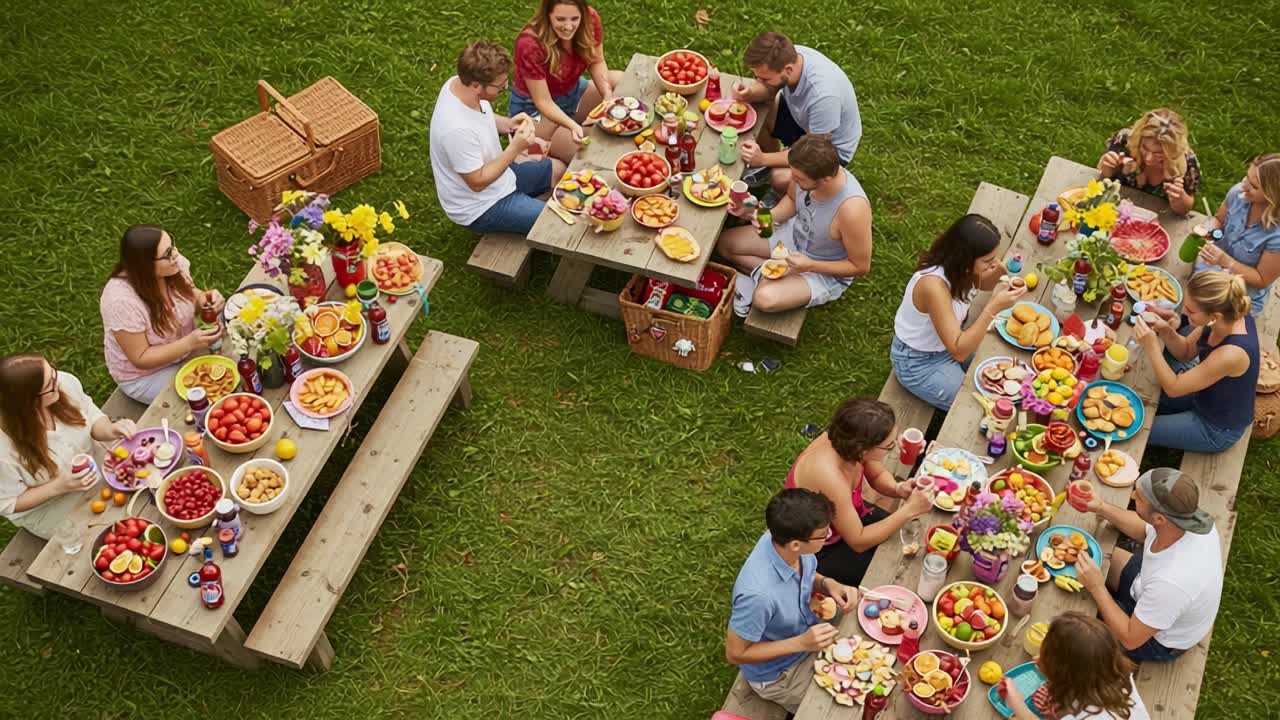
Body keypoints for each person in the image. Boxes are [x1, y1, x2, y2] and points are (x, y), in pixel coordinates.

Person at [726, 488, 859, 713]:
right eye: (824, 534)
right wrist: (801, 643)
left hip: (808, 631)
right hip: (781, 673)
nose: (828, 537)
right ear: (796, 544)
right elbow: (735, 653)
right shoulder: (758, 596)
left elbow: (804, 575)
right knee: (844, 710)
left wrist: (827, 584)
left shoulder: (785, 541)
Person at [1075, 468, 1221, 663]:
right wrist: (1101, 507)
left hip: (1154, 640)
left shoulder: (1172, 583)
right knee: (1089, 556)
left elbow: (1130, 638)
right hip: (1147, 587)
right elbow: (1145, 529)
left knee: (1075, 611)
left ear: (1159, 518)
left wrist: (1097, 587)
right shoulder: (1190, 522)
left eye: (1139, 497)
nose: (1132, 495)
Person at [716, 134, 871, 317]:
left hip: (822, 269)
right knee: (724, 244)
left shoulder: (852, 210)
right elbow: (791, 200)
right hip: (793, 237)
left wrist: (810, 265)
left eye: (799, 180)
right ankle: (767, 276)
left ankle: (766, 281)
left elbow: (860, 266)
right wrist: (762, 216)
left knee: (764, 298)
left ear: (825, 180)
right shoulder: (803, 173)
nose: (794, 181)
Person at [783, 399, 933, 586]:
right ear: (862, 449)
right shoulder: (829, 477)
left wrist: (897, 489)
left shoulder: (849, 442)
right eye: (889, 446)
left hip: (849, 518)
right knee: (895, 571)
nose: (893, 447)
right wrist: (908, 510)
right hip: (819, 547)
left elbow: (876, 474)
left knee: (910, 539)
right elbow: (858, 540)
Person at [429, 41, 569, 237]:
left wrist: (509, 124)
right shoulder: (455, 130)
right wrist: (515, 149)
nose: (504, 88)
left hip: (502, 179)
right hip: (480, 206)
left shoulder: (459, 85)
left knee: (559, 171)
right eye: (500, 87)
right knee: (555, 222)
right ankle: (528, 215)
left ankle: (527, 210)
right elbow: (477, 182)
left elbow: (480, 118)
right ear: (476, 85)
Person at [891, 214, 1027, 410]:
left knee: (1008, 379)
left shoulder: (959, 269)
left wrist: (1002, 270)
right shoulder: (934, 287)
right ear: (964, 259)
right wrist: (993, 307)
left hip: (948, 344)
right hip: (919, 362)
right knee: (983, 406)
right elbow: (959, 351)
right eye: (988, 260)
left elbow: (983, 283)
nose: (994, 262)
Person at [0, 354, 137, 539]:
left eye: (53, 372)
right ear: (28, 402)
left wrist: (110, 430)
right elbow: (8, 502)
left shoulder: (61, 384)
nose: (58, 381)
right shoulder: (4, 449)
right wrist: (60, 486)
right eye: (49, 384)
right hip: (51, 505)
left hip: (97, 467)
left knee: (141, 497)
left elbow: (90, 417)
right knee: (108, 534)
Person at [1134, 270, 1259, 453]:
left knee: (1137, 429)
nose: (1183, 313)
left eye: (1191, 310)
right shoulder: (1226, 314)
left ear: (1214, 316)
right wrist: (1166, 331)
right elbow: (1185, 352)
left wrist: (1152, 345)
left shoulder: (1232, 353)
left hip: (1215, 426)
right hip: (1201, 394)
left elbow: (1174, 388)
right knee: (1136, 395)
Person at [101, 225, 223, 404]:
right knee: (208, 393)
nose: (175, 255)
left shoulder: (171, 266)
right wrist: (189, 343)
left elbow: (188, 293)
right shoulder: (120, 302)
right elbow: (141, 358)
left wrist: (204, 299)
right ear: (146, 266)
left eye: (172, 245)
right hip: (148, 375)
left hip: (185, 348)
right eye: (167, 254)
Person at [730, 32, 861, 193]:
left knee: (780, 178)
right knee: (755, 109)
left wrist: (763, 159)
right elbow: (770, 90)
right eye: (757, 77)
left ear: (788, 70)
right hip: (802, 120)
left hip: (829, 148)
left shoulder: (823, 97)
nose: (759, 82)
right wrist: (750, 94)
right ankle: (770, 168)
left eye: (764, 79)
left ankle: (784, 193)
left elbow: (813, 152)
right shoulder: (789, 57)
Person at [511, 0, 622, 163]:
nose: (568, 26)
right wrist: (571, 125)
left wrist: (606, 94)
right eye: (560, 19)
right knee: (589, 154)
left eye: (574, 19)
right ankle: (540, 144)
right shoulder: (529, 44)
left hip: (572, 93)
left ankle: (580, 130)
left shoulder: (590, 20)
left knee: (620, 81)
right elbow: (543, 102)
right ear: (548, 15)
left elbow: (596, 61)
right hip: (536, 112)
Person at [1001, 612, 1150, 720]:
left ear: (1066, 676)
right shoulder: (1118, 676)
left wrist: (1017, 705)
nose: (1036, 658)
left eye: (1044, 656)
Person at [1195, 153, 1280, 317]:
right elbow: (1219, 219)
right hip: (1211, 273)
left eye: (1254, 187)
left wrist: (1226, 262)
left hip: (1239, 297)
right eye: (1246, 177)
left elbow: (1262, 279)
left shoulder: (1276, 236)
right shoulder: (1238, 194)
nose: (1243, 187)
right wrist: (1210, 232)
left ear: (1273, 197)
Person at [1097, 108, 1199, 215]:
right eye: (1145, 148)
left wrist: (1179, 198)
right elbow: (1103, 180)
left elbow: (1184, 210)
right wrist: (1107, 169)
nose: (1148, 158)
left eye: (1158, 153)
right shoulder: (1125, 141)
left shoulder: (1187, 162)